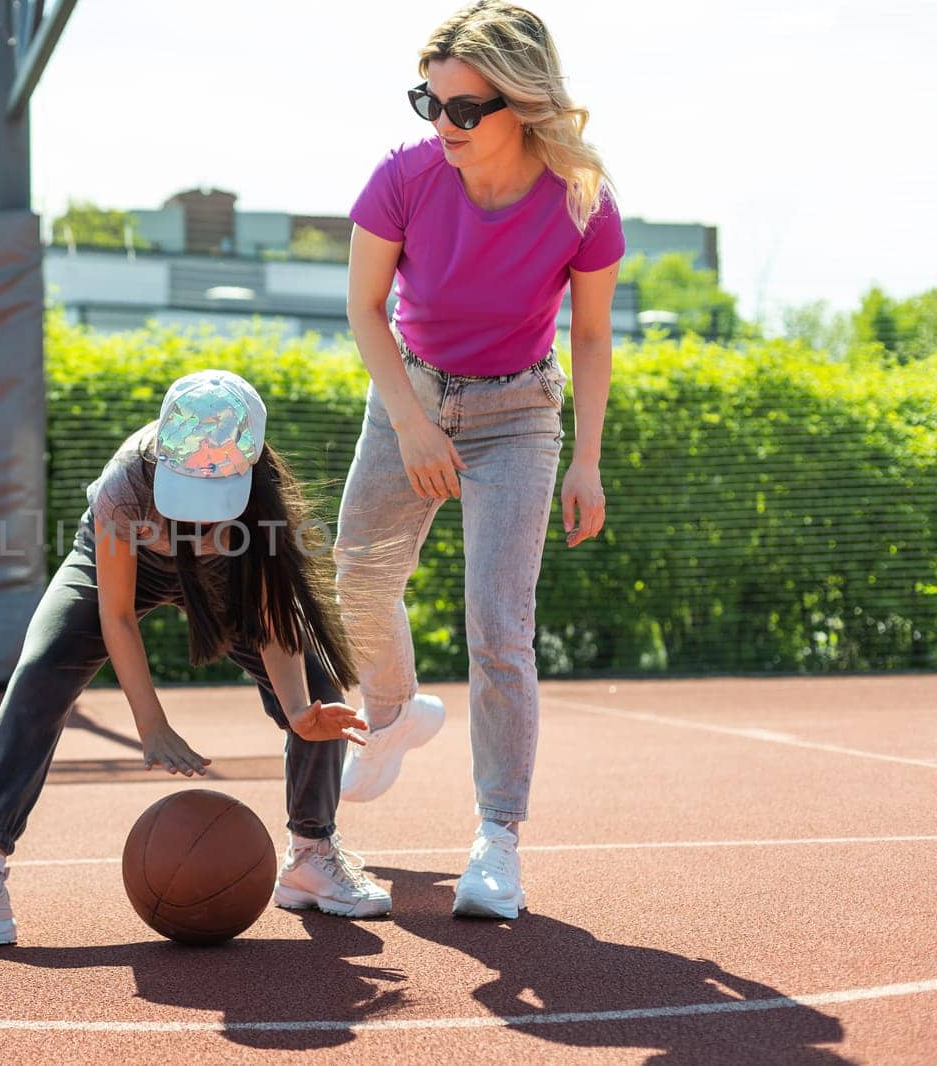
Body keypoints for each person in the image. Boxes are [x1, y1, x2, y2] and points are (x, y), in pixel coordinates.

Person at [0, 369, 392, 945]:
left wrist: (300, 709)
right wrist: (150, 723)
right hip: (130, 564)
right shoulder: (125, 485)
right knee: (41, 668)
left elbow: (275, 622)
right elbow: (118, 616)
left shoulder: (261, 501)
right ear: (163, 460)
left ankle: (312, 854)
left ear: (247, 467)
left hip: (224, 572)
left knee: (321, 695)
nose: (198, 515)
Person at [333, 0, 625, 920]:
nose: (445, 124)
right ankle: (391, 714)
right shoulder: (404, 179)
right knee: (356, 577)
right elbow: (364, 311)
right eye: (433, 103)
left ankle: (498, 840)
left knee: (500, 629)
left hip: (520, 413)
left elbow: (589, 333)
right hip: (409, 398)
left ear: (523, 104)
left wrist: (588, 460)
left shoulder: (584, 200)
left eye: (467, 109)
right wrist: (415, 426)